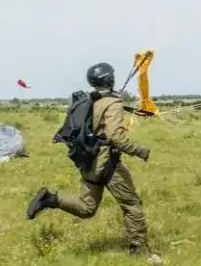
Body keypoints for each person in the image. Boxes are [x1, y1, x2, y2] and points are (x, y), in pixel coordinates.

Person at [26, 62, 161, 264]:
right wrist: (139, 151)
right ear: (109, 79)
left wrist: (115, 101)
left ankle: (50, 199)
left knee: (87, 208)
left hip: (89, 160)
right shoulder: (111, 103)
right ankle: (139, 250)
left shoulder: (91, 100)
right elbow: (115, 136)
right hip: (108, 163)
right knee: (132, 205)